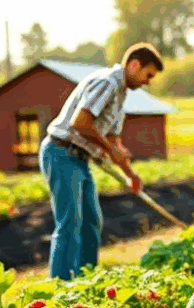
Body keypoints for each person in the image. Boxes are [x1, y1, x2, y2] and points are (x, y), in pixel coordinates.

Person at [39, 42, 164, 281]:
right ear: (134, 65)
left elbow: (113, 140)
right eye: (148, 75)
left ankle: (86, 281)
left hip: (80, 160)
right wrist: (110, 150)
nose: (148, 81)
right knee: (70, 223)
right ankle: (61, 287)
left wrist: (130, 173)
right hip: (61, 152)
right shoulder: (107, 82)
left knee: (92, 222)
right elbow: (81, 122)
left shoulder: (120, 95)